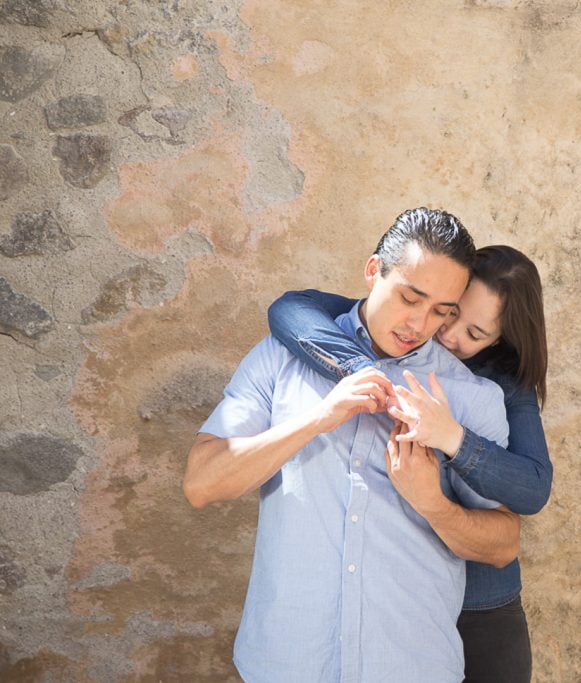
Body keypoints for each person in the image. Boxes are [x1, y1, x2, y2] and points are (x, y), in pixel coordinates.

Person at [183, 208, 519, 682]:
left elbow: (504, 543)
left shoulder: (470, 398)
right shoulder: (281, 357)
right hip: (287, 664)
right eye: (409, 297)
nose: (419, 324)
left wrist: (434, 505)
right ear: (372, 270)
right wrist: (318, 418)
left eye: (441, 311)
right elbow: (202, 483)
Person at [267, 244, 552, 683]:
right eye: (450, 312)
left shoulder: (502, 385)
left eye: (475, 334)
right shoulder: (393, 329)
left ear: (499, 341)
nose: (448, 335)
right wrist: (370, 377)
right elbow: (290, 308)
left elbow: (532, 489)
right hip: (399, 607)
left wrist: (454, 439)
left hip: (481, 604)